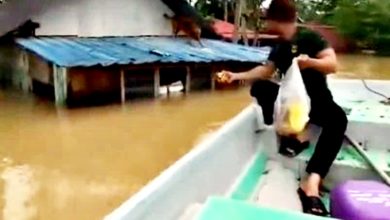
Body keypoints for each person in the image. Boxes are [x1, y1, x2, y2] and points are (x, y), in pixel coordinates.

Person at [220, 0, 348, 216]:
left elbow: (332, 65)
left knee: (338, 120)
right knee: (260, 88)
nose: (267, 25)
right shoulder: (279, 46)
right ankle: (291, 134)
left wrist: (311, 63)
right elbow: (264, 72)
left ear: (276, 20)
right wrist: (236, 76)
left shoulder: (309, 38)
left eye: (268, 20)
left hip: (317, 102)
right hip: (293, 105)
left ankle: (312, 182)